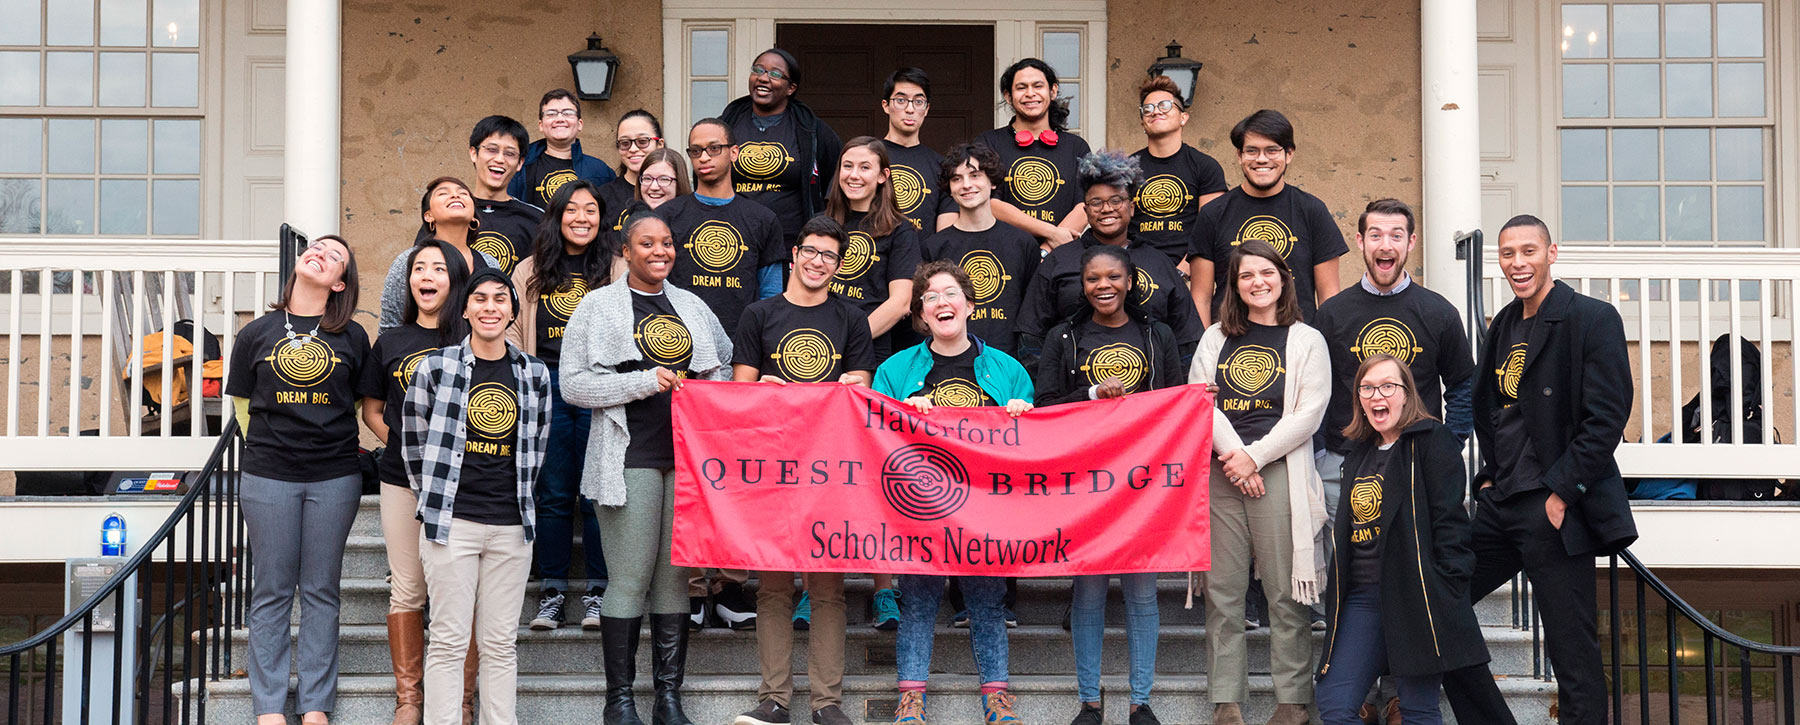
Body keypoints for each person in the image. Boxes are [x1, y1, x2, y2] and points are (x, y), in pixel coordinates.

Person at [1441, 215, 1635, 725]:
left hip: (1552, 505)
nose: (1517, 263)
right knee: (1439, 603)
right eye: (1507, 254)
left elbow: (1607, 418)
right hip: (1502, 500)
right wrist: (1486, 478)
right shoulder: (1503, 325)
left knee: (1572, 653)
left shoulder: (1591, 318)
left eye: (1529, 251)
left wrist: (1562, 492)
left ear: (1552, 252)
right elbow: (1494, 410)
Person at [561, 205, 736, 725]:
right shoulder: (596, 307)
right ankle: (619, 701)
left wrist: (706, 388)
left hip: (683, 460)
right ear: (626, 250)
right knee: (631, 577)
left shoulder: (692, 305)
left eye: (666, 243)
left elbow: (723, 365)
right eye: (647, 243)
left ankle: (668, 699)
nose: (659, 252)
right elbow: (573, 385)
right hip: (627, 458)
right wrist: (643, 381)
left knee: (672, 583)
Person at [874, 260, 1034, 725]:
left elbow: (1033, 447)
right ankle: (910, 698)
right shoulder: (894, 368)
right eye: (930, 297)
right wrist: (899, 410)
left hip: (985, 510)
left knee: (987, 602)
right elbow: (870, 430)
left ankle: (997, 700)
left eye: (950, 294)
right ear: (920, 312)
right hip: (917, 508)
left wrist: (1023, 412)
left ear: (969, 303)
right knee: (919, 601)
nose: (941, 303)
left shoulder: (1007, 369)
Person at [730, 216, 874, 725]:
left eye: (830, 257)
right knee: (771, 586)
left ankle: (826, 702)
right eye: (811, 252)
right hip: (769, 466)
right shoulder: (758, 314)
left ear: (840, 266)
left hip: (829, 469)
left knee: (828, 589)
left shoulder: (851, 318)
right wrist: (765, 388)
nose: (818, 262)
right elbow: (739, 392)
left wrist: (851, 381)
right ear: (794, 255)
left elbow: (861, 387)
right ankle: (775, 699)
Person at [226, 235, 376, 725]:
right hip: (269, 476)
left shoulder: (353, 336)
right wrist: (276, 448)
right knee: (271, 588)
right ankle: (268, 706)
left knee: (321, 590)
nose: (321, 253)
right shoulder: (256, 332)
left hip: (334, 476)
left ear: (339, 282)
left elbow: (354, 404)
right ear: (299, 263)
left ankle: (315, 705)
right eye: (316, 247)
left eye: (335, 256)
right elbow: (244, 407)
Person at [1033, 244, 1181, 725]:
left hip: (1144, 481)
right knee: (1088, 593)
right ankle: (1089, 702)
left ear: (1130, 280)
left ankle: (1141, 702)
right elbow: (1045, 406)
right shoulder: (1064, 336)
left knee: (1142, 594)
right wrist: (1093, 393)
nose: (1103, 286)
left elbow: (1175, 401)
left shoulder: (1157, 334)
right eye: (1093, 278)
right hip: (1084, 483)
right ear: (1082, 282)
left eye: (1113, 277)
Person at [1188, 240, 1330, 725]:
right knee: (1223, 594)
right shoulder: (1214, 338)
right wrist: (1235, 457)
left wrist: (1255, 457)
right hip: (1221, 473)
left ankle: (1292, 702)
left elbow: (1309, 414)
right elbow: (1199, 401)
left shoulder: (1307, 340)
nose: (1257, 282)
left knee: (1285, 594)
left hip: (1280, 472)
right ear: (1235, 285)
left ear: (1284, 278)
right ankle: (1227, 701)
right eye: (1246, 275)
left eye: (1266, 272)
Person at [403, 268, 553, 725]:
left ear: (513, 310)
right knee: (448, 640)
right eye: (480, 299)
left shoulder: (535, 373)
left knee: (500, 642)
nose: (490, 307)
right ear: (465, 309)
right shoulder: (435, 367)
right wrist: (433, 501)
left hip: (512, 526)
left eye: (500, 299)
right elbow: (413, 443)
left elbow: (538, 445)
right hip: (453, 523)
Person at [1315, 355, 1488, 725]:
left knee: (1417, 708)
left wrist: (1445, 590)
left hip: (1416, 595)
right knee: (1334, 703)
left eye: (1388, 387)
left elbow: (1451, 526)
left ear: (1407, 394)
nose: (1377, 395)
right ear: (1359, 398)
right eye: (1367, 388)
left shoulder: (1432, 441)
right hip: (1362, 598)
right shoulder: (1357, 452)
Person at [361, 240, 472, 725]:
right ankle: (409, 700)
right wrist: (411, 449)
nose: (426, 276)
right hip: (401, 479)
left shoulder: (472, 339)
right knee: (407, 589)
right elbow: (371, 410)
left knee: (458, 591)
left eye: (437, 268)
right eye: (417, 268)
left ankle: (462, 704)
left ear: (454, 279)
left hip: (463, 484)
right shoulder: (390, 341)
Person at [506, 179, 616, 632]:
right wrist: (525, 375)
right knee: (552, 495)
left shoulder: (615, 268)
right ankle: (552, 592)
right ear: (556, 216)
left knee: (593, 495)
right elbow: (512, 328)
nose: (582, 218)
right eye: (572, 209)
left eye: (590, 210)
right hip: (546, 385)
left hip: (597, 387)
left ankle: (596, 593)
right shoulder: (530, 269)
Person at [1018, 150, 1203, 369]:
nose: (1107, 209)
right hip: (1077, 397)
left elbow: (1187, 342)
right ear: (1086, 211)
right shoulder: (1060, 261)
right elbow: (1030, 339)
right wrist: (1053, 394)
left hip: (1149, 398)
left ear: (1131, 208)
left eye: (1116, 200)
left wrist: (1174, 396)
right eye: (1096, 203)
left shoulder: (1159, 263)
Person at [1188, 109, 1346, 324]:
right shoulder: (1213, 214)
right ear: (1239, 156)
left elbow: (1329, 297)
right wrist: (1207, 351)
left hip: (1296, 345)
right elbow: (1201, 297)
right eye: (1252, 151)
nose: (1262, 159)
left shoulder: (1312, 211)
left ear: (1289, 154)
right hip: (1230, 344)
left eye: (1272, 150)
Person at [655, 118, 787, 337]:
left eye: (714, 149)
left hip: (742, 343)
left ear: (734, 153)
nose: (704, 157)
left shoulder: (763, 219)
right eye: (696, 151)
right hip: (677, 340)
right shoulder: (666, 216)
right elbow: (652, 284)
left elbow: (771, 296)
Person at [920, 143, 1040, 357]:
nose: (966, 185)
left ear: (992, 181)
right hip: (949, 360)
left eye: (975, 175)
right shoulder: (934, 247)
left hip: (1009, 361)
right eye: (957, 179)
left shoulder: (1023, 243)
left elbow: (1032, 314)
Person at [719, 48, 843, 247]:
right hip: (732, 238)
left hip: (790, 242)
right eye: (758, 70)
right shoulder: (726, 124)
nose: (763, 78)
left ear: (790, 88)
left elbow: (836, 178)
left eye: (775, 74)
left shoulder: (812, 130)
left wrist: (822, 222)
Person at [977, 58, 1093, 250]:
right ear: (1008, 96)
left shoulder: (1077, 147)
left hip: (1060, 254)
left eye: (1038, 86)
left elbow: (1085, 205)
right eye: (1021, 87)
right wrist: (1051, 232)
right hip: (1004, 252)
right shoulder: (989, 143)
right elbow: (988, 202)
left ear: (1053, 91)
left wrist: (1046, 250)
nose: (1030, 94)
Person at [824, 136, 922, 361]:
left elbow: (900, 303)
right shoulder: (821, 224)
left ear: (882, 176)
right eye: (847, 166)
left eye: (865, 167)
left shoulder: (900, 230)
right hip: (818, 341)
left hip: (870, 347)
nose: (854, 175)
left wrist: (848, 341)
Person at [1129, 76, 1226, 270]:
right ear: (1142, 123)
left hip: (1189, 272)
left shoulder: (1205, 166)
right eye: (1147, 109)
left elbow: (1211, 229)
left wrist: (1181, 273)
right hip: (1135, 270)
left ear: (1183, 117)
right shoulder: (1127, 168)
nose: (1155, 111)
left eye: (1165, 105)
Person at [380, 177, 503, 329]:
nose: (455, 195)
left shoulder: (490, 263)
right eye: (443, 193)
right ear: (428, 215)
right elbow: (390, 326)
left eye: (463, 193)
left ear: (474, 215)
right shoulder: (407, 261)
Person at [510, 88, 618, 210]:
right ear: (541, 125)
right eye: (551, 113)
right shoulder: (521, 167)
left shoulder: (600, 171)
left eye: (568, 113)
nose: (560, 119)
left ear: (579, 124)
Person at [878, 67, 956, 232]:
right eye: (901, 100)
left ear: (926, 109)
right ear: (885, 106)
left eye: (918, 102)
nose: (910, 109)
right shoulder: (865, 157)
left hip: (924, 257)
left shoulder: (941, 166)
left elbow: (945, 234)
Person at [467, 115, 544, 275]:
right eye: (492, 150)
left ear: (520, 163)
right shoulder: (450, 212)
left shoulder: (536, 219)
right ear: (474, 153)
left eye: (510, 153)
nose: (500, 159)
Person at [600, 110, 668, 239]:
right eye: (625, 143)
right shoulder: (603, 197)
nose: (633, 149)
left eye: (642, 141)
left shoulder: (674, 192)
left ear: (659, 144)